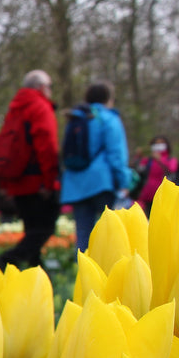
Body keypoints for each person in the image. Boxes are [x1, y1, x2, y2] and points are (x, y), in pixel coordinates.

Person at [0, 69, 61, 271]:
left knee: (32, 228)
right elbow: (46, 146)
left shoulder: (14, 110)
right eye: (50, 86)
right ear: (41, 87)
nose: (50, 91)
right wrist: (50, 182)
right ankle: (9, 258)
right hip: (37, 181)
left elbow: (6, 149)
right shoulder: (40, 108)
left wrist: (6, 184)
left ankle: (36, 273)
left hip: (17, 181)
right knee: (45, 228)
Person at [60, 81, 130, 253]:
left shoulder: (75, 118)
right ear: (109, 99)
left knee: (83, 234)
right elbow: (116, 155)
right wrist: (124, 182)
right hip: (102, 182)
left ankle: (84, 276)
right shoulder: (109, 119)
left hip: (76, 183)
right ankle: (110, 272)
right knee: (113, 231)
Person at [134, 135, 178, 216]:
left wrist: (160, 159)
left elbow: (172, 169)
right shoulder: (148, 161)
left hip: (164, 195)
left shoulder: (171, 160)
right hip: (148, 195)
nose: (158, 146)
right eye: (156, 144)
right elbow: (139, 169)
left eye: (161, 143)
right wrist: (138, 156)